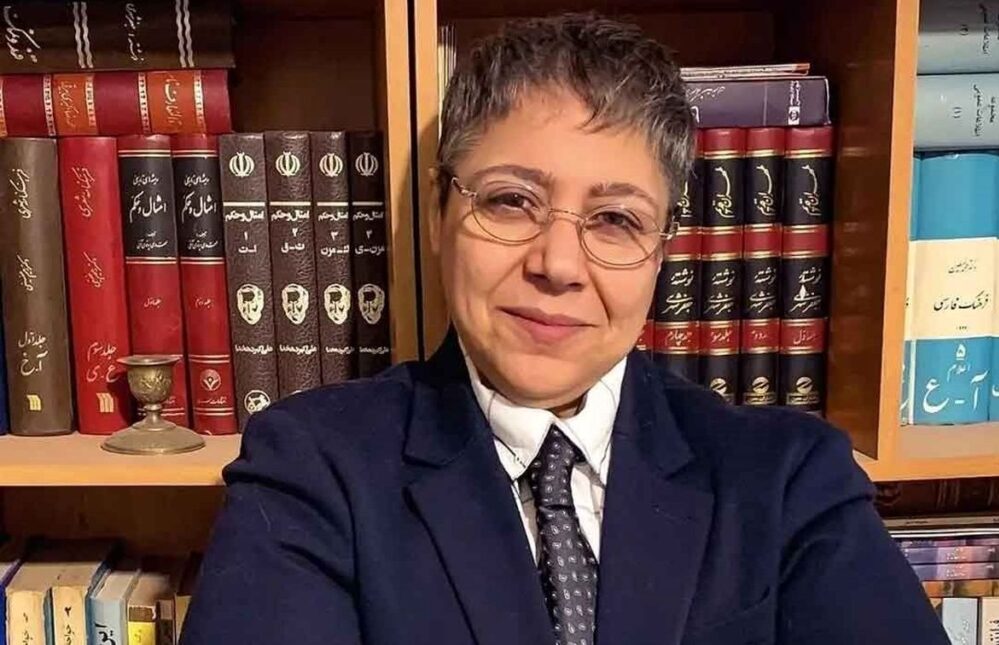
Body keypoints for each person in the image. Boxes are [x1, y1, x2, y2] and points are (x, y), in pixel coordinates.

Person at [181, 13, 948, 645]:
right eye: (511, 201)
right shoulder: (313, 471)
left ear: (661, 253)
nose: (557, 264)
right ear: (439, 214)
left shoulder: (788, 479)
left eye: (616, 219)